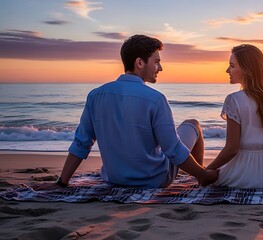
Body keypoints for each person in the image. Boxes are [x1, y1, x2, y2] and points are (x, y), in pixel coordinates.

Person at [33, 35, 217, 190]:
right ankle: (201, 178)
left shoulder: (95, 95)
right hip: (154, 180)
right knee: (193, 124)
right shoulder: (155, 99)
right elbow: (173, 150)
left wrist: (62, 182)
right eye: (157, 62)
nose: (160, 68)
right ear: (139, 62)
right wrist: (206, 174)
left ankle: (200, 175)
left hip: (114, 180)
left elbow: (82, 143)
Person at [206, 44, 263, 188]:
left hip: (245, 173)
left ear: (247, 70)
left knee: (212, 177)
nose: (227, 70)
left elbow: (232, 149)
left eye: (232, 66)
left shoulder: (234, 100)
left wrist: (207, 170)